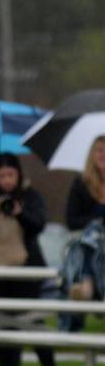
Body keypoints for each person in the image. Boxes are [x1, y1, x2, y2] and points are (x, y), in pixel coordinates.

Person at [0, 153, 55, 366]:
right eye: (2, 175)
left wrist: (20, 212)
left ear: (19, 175)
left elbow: (38, 225)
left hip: (24, 273)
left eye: (11, 175)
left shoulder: (30, 196)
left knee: (33, 323)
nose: (7, 181)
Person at [59, 136, 105, 331]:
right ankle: (89, 285)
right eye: (99, 150)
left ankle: (84, 285)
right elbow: (71, 220)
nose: (103, 155)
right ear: (91, 155)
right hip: (88, 244)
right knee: (92, 237)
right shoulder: (81, 183)